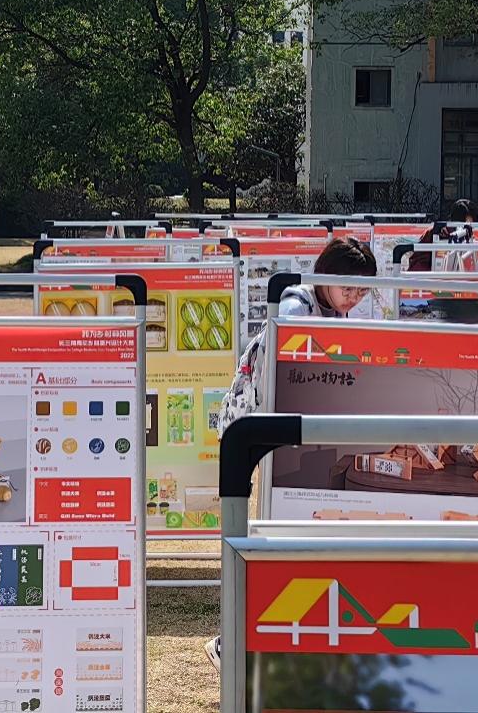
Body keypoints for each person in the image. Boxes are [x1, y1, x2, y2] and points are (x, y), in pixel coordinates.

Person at [205, 236, 378, 671]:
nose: (354, 298)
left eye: (362, 291)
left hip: (287, 436)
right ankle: (234, 642)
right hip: (261, 437)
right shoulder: (297, 303)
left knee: (288, 542)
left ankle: (260, 640)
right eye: (348, 288)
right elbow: (294, 362)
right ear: (325, 275)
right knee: (265, 539)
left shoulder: (335, 312)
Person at [408, 199, 478, 272]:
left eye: (471, 226)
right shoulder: (434, 233)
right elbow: (417, 264)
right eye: (466, 226)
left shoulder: (467, 236)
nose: (468, 230)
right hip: (425, 276)